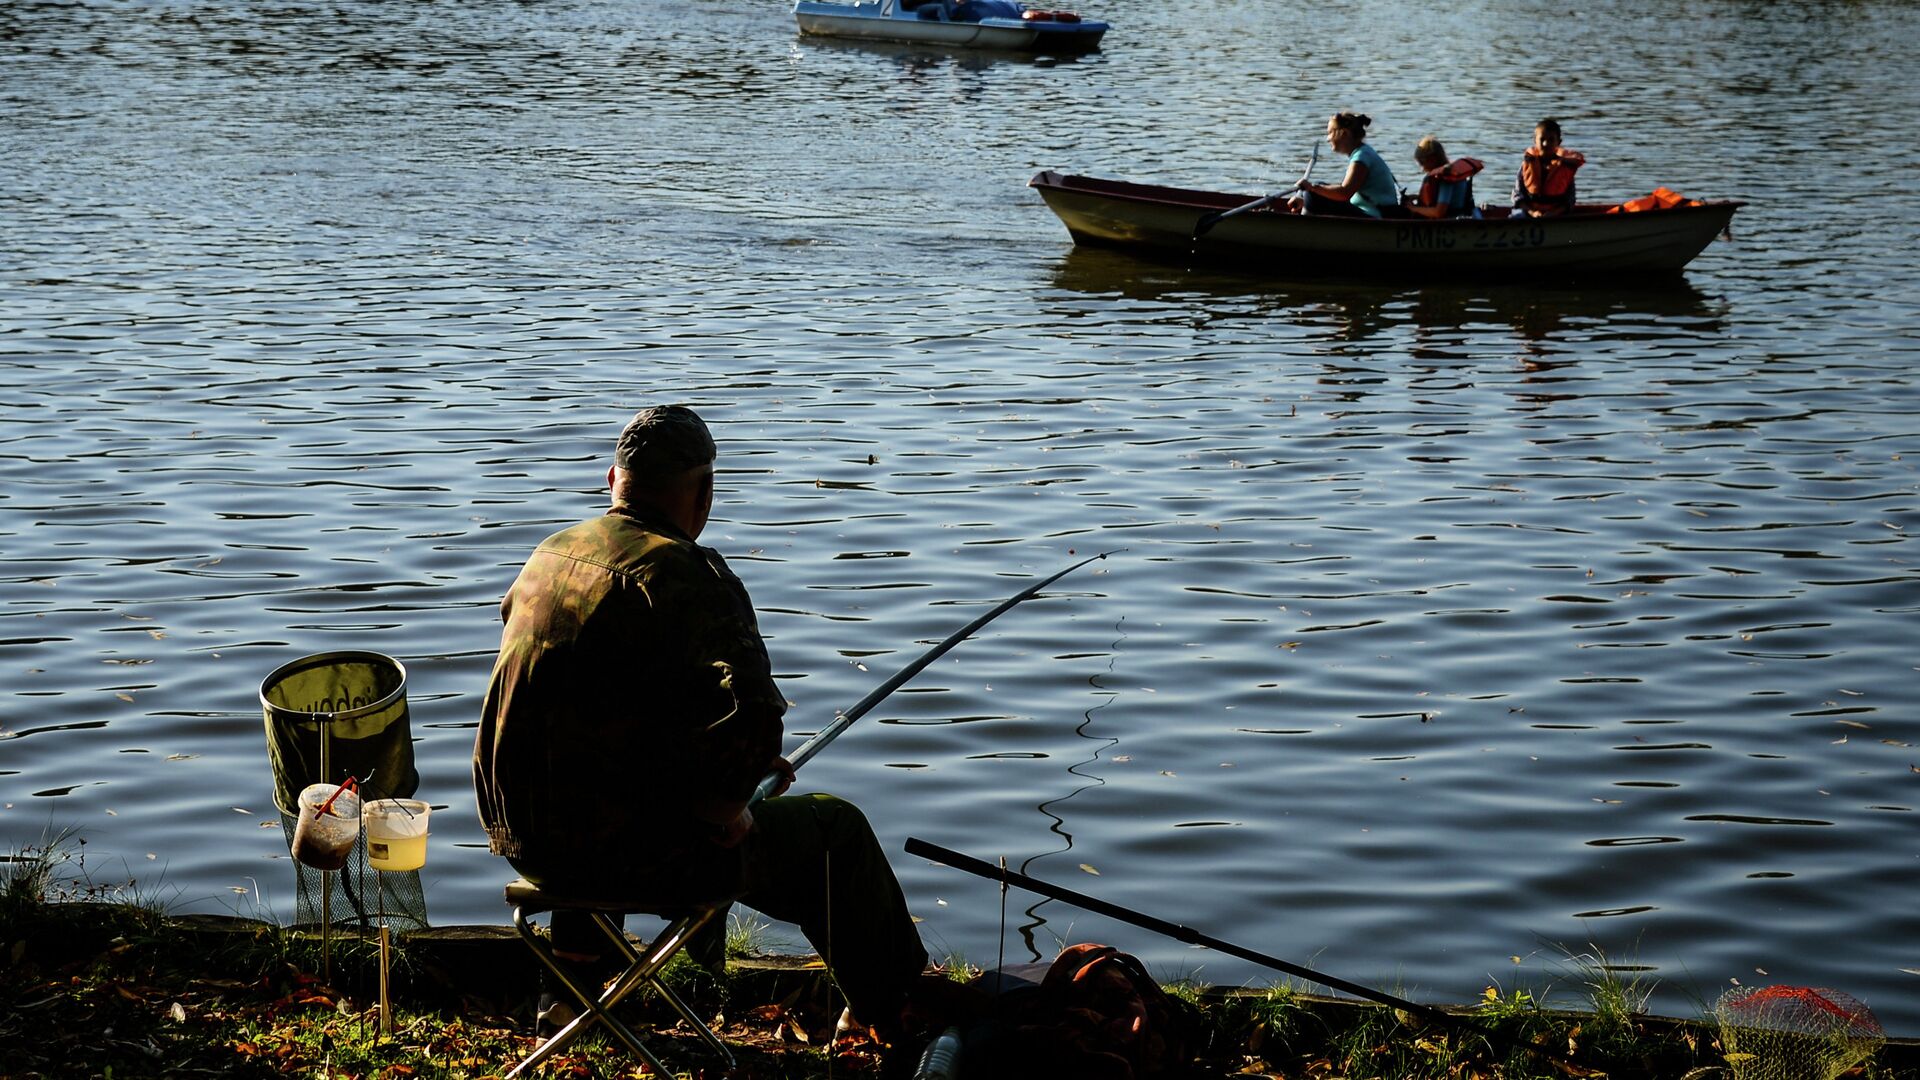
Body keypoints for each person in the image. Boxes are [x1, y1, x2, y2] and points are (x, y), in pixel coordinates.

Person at [472, 405, 937, 1046]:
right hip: (618, 855)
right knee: (837, 831)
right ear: (704, 492)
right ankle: (901, 1014)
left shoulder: (551, 555)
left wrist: (715, 764)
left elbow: (595, 707)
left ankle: (569, 995)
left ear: (614, 479)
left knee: (589, 779)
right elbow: (755, 718)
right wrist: (728, 803)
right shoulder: (689, 574)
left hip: (521, 833)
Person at [1294, 111, 1404, 219]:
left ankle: (1301, 227)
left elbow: (1344, 193)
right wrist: (1305, 201)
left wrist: (1312, 189)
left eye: (1330, 133)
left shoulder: (1362, 157)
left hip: (1375, 215)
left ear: (1344, 133)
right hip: (1367, 210)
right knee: (1316, 191)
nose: (1328, 139)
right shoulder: (1363, 153)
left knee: (1314, 194)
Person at [1510, 117, 1584, 218]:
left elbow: (1570, 199)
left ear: (1559, 142)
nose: (1546, 144)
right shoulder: (1527, 164)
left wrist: (1552, 214)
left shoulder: (1565, 167)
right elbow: (1517, 195)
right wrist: (1533, 213)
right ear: (1535, 141)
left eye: (1551, 140)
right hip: (1528, 213)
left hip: (1556, 214)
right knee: (1516, 216)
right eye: (1542, 139)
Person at [1407, 135, 1484, 219]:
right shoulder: (1448, 173)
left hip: (1453, 220)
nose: (1422, 169)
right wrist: (1418, 198)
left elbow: (1439, 213)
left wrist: (1413, 208)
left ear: (1432, 159)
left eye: (1422, 163)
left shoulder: (1446, 178)